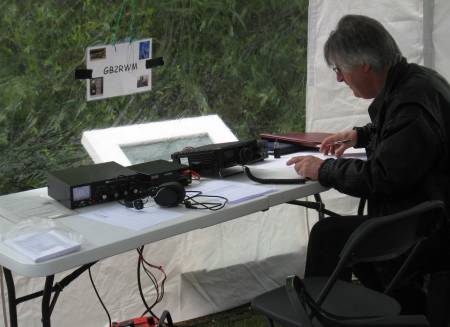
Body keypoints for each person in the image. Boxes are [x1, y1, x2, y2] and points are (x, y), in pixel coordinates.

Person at [286, 14, 450, 321]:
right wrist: (362, 134)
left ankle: (318, 318)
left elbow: (381, 177)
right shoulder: (417, 82)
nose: (338, 78)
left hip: (430, 232)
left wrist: (322, 170)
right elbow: (406, 138)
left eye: (339, 69)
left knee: (329, 237)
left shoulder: (411, 104)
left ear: (363, 64)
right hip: (426, 217)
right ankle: (402, 307)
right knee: (345, 239)